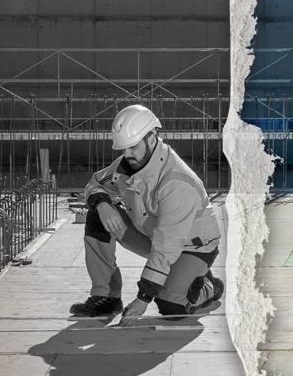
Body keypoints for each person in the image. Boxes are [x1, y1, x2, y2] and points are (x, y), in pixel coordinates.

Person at [70, 104, 223, 327]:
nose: (126, 154)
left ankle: (209, 286)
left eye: (132, 147)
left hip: (193, 247)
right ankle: (107, 297)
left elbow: (166, 248)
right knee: (99, 214)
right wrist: (102, 204)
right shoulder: (128, 164)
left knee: (171, 307)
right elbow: (95, 184)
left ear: (151, 139)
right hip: (152, 236)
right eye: (123, 148)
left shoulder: (176, 182)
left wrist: (143, 299)